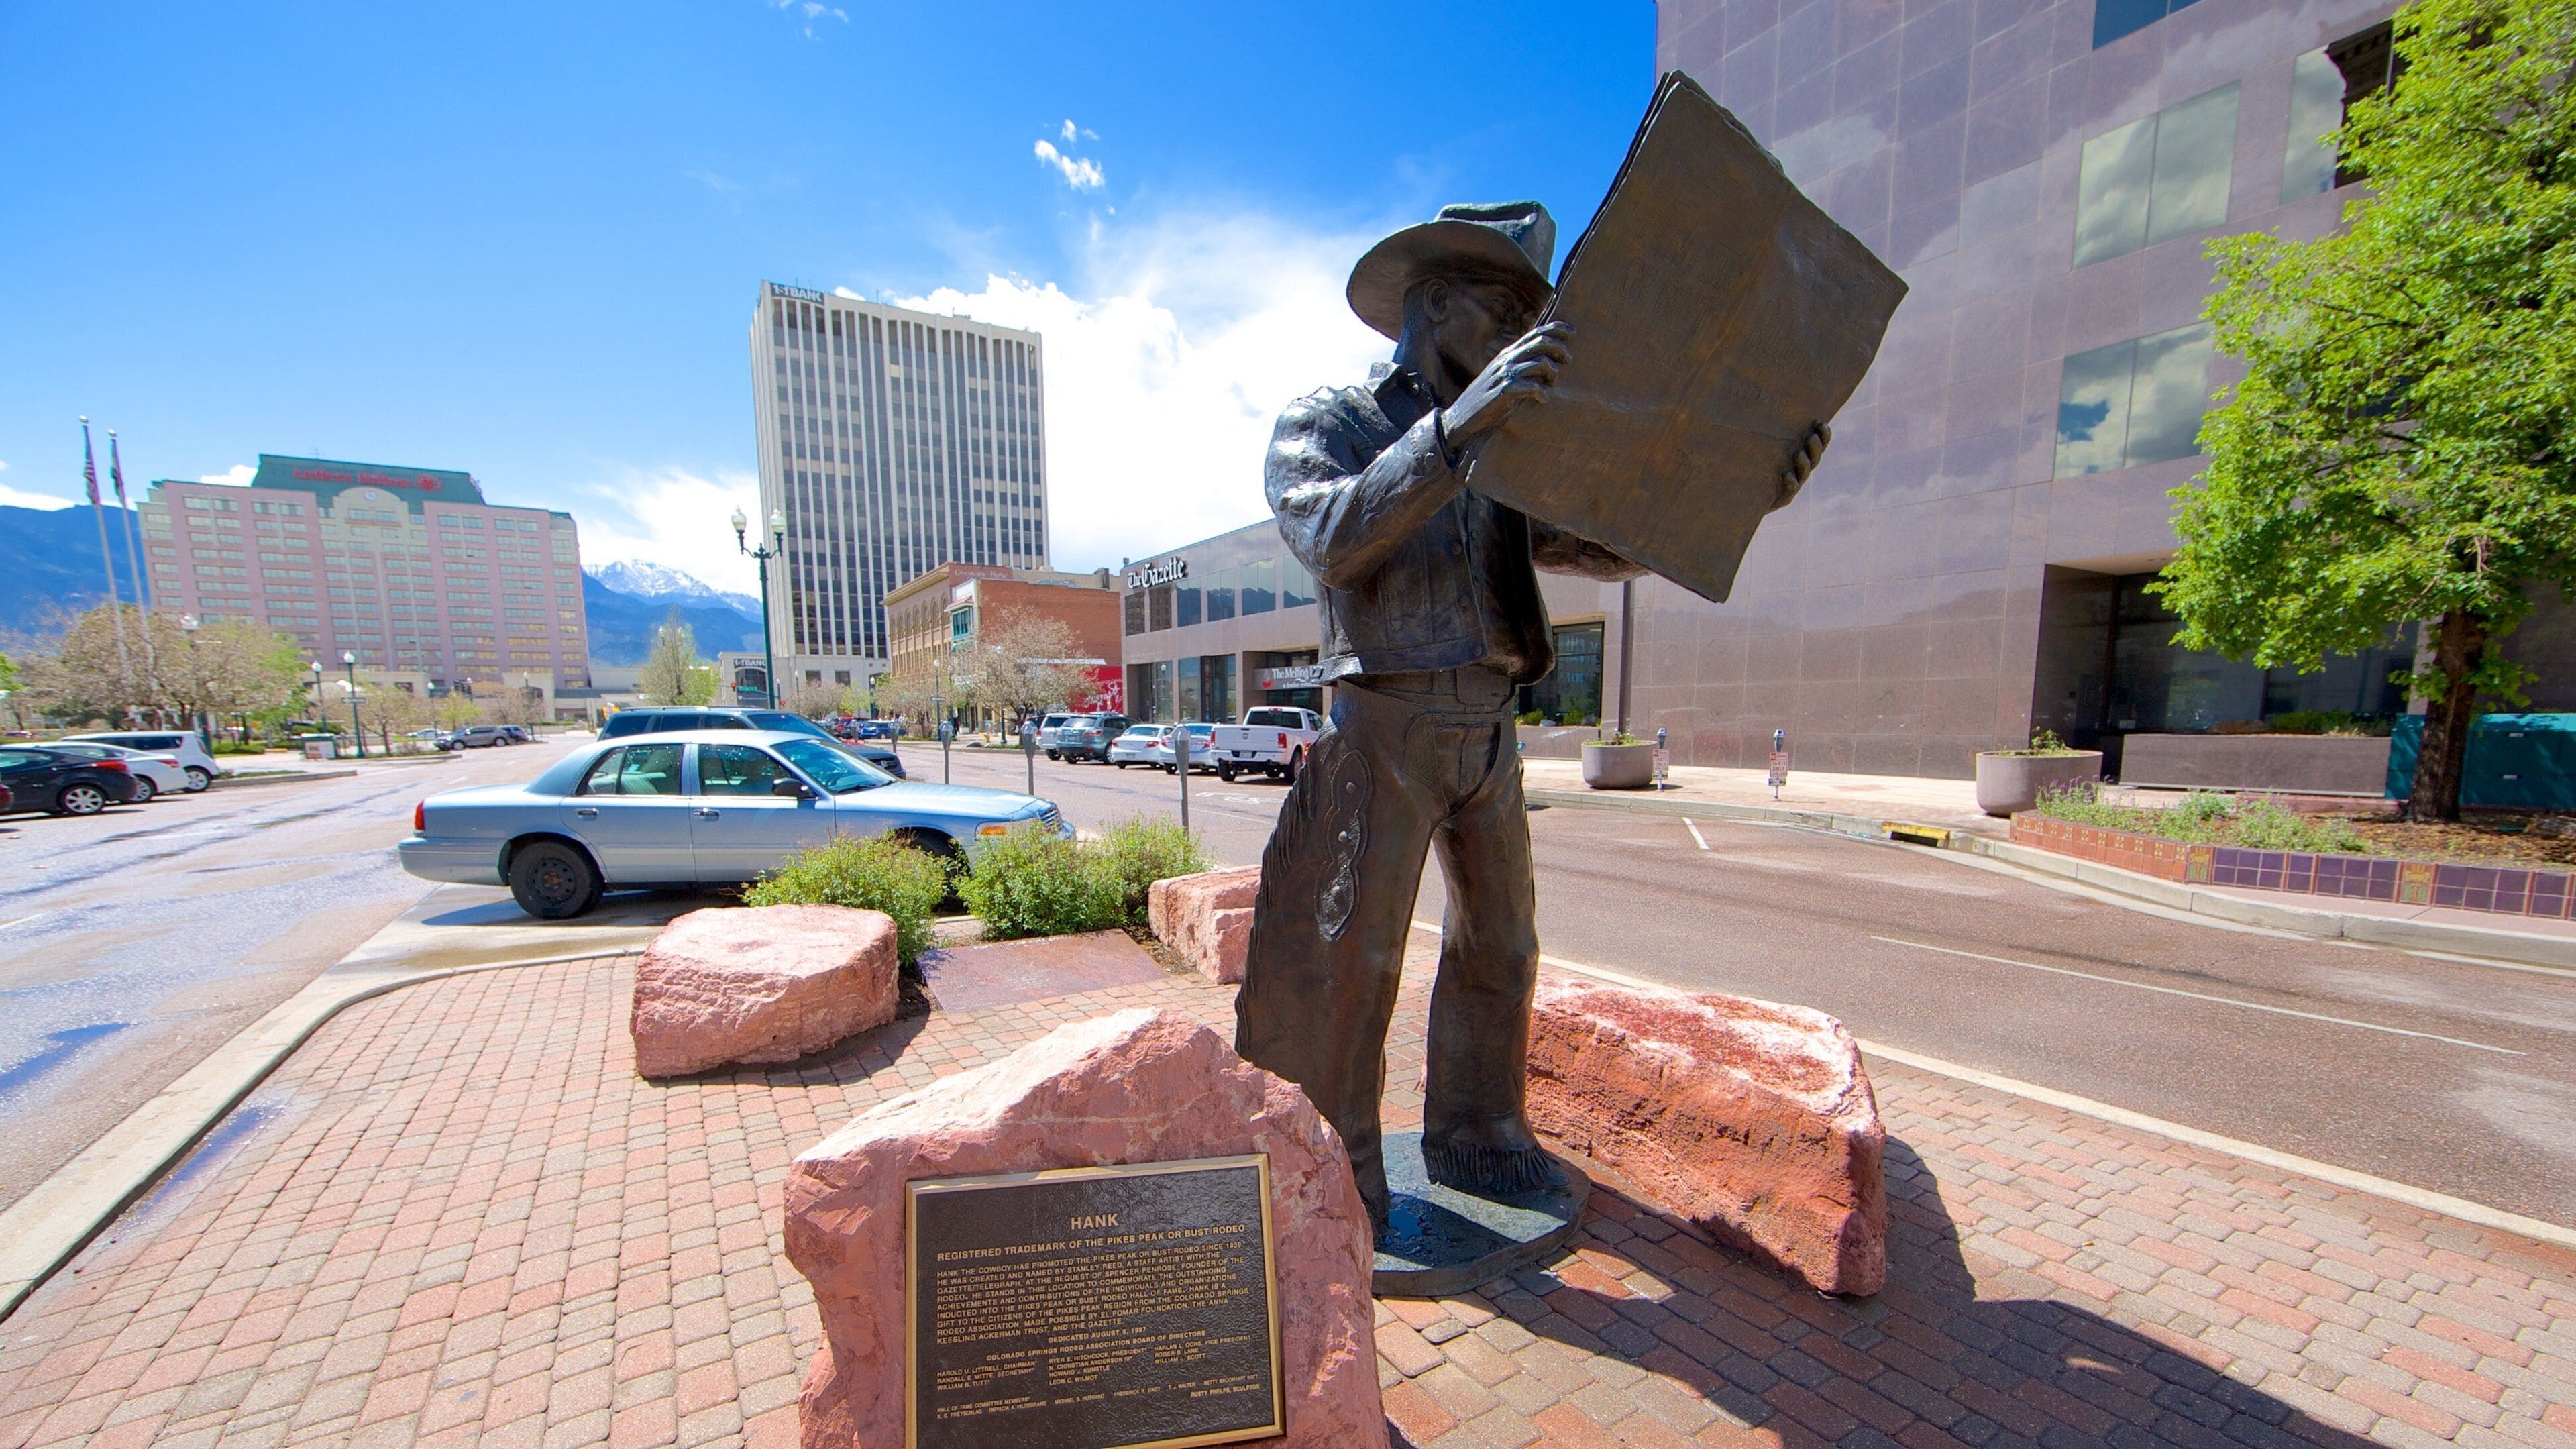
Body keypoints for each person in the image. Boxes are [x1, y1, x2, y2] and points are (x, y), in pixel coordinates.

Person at [1234, 201, 1828, 1224]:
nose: (1526, 333)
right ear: (1434, 303)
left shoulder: (1513, 434)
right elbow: (1332, 536)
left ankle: (1480, 1136)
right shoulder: (1330, 420)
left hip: (1490, 727)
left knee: (1502, 948)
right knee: (1354, 962)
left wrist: (1747, 492)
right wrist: (1458, 431)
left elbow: (1600, 540)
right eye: (1506, 310)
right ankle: (1336, 1179)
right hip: (1386, 724)